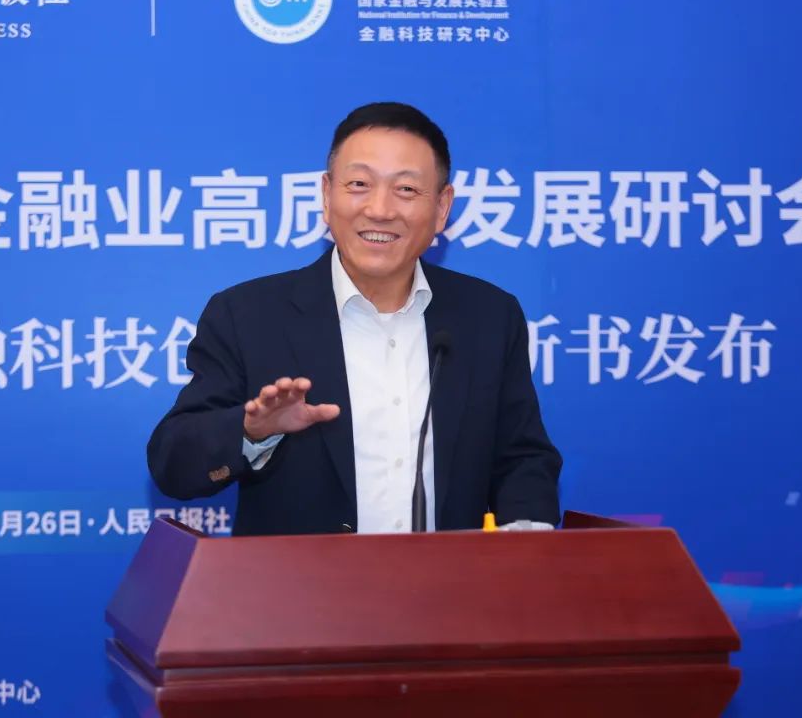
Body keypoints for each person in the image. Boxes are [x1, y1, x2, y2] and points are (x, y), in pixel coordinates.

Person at [147, 102, 561, 536]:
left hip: (449, 579)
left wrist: (526, 543)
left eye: (406, 189)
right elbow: (173, 466)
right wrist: (251, 432)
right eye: (359, 184)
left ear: (442, 208)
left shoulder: (488, 316)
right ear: (327, 196)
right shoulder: (247, 316)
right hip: (299, 582)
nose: (380, 209)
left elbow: (522, 458)